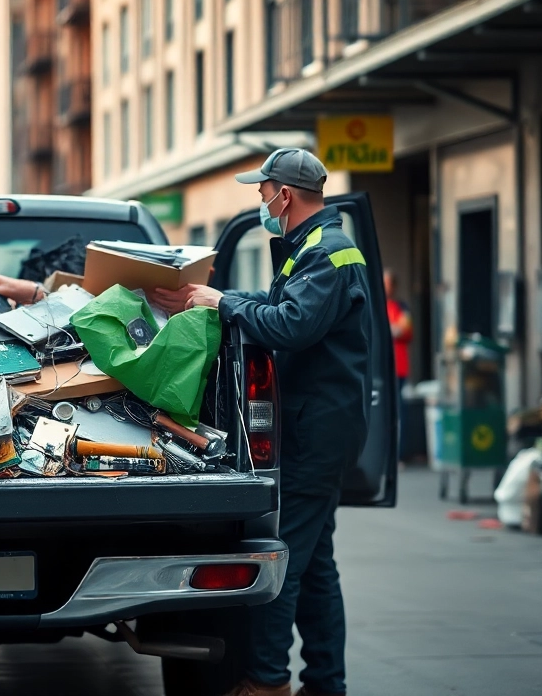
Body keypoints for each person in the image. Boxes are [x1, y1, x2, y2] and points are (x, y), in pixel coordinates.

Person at [152, 148, 370, 696]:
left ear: (285, 195)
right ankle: (325, 684)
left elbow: (291, 324)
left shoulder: (330, 253)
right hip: (319, 426)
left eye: (262, 191)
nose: (261, 201)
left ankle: (268, 682)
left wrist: (222, 302)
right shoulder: (312, 248)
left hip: (318, 432)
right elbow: (279, 302)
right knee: (316, 566)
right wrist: (210, 301)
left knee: (288, 563)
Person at [384, 269, 412, 392]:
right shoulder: (375, 307)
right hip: (381, 365)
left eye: (388, 283)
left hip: (398, 365)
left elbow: (404, 330)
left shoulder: (401, 307)